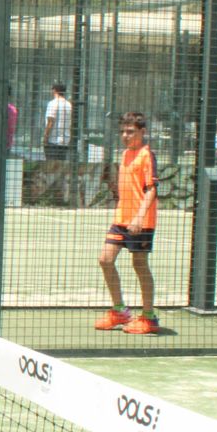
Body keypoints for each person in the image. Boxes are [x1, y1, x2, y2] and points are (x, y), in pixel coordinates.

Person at [95, 111, 159, 335]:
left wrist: (139, 217)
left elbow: (151, 189)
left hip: (142, 222)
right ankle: (120, 311)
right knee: (105, 259)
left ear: (143, 132)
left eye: (130, 131)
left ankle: (149, 317)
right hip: (121, 219)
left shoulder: (147, 155)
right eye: (122, 131)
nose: (125, 135)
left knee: (139, 265)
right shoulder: (124, 154)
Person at [41, 82, 72, 205]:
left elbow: (50, 121)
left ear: (54, 90)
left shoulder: (53, 103)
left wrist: (45, 137)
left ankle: (50, 196)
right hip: (65, 141)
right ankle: (60, 197)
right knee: (60, 169)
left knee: (51, 169)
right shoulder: (69, 105)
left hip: (53, 141)